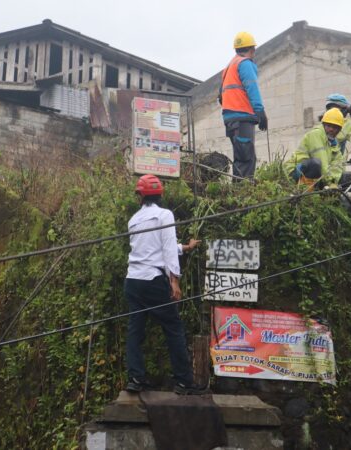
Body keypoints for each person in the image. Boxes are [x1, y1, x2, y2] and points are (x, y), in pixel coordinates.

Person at [124, 174, 205, 395]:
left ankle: (135, 379)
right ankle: (184, 382)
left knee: (135, 330)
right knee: (173, 328)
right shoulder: (164, 215)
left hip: (133, 281)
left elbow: (151, 247)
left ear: (140, 196)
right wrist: (174, 280)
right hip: (153, 281)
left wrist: (185, 247)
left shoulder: (133, 220)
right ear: (160, 195)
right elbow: (167, 248)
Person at [219, 31, 267, 180]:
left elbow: (220, 96)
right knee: (246, 158)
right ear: (252, 49)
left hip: (230, 119)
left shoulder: (228, 68)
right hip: (242, 117)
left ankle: (239, 188)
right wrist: (260, 111)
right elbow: (252, 87)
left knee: (241, 157)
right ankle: (243, 190)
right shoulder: (245, 64)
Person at [284, 108, 346, 189]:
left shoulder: (335, 148)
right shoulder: (316, 134)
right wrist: (329, 182)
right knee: (315, 164)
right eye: (328, 125)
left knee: (342, 176)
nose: (331, 129)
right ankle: (304, 190)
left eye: (334, 127)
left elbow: (337, 167)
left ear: (339, 130)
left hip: (313, 173)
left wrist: (333, 182)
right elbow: (321, 160)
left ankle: (318, 191)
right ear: (323, 125)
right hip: (295, 171)